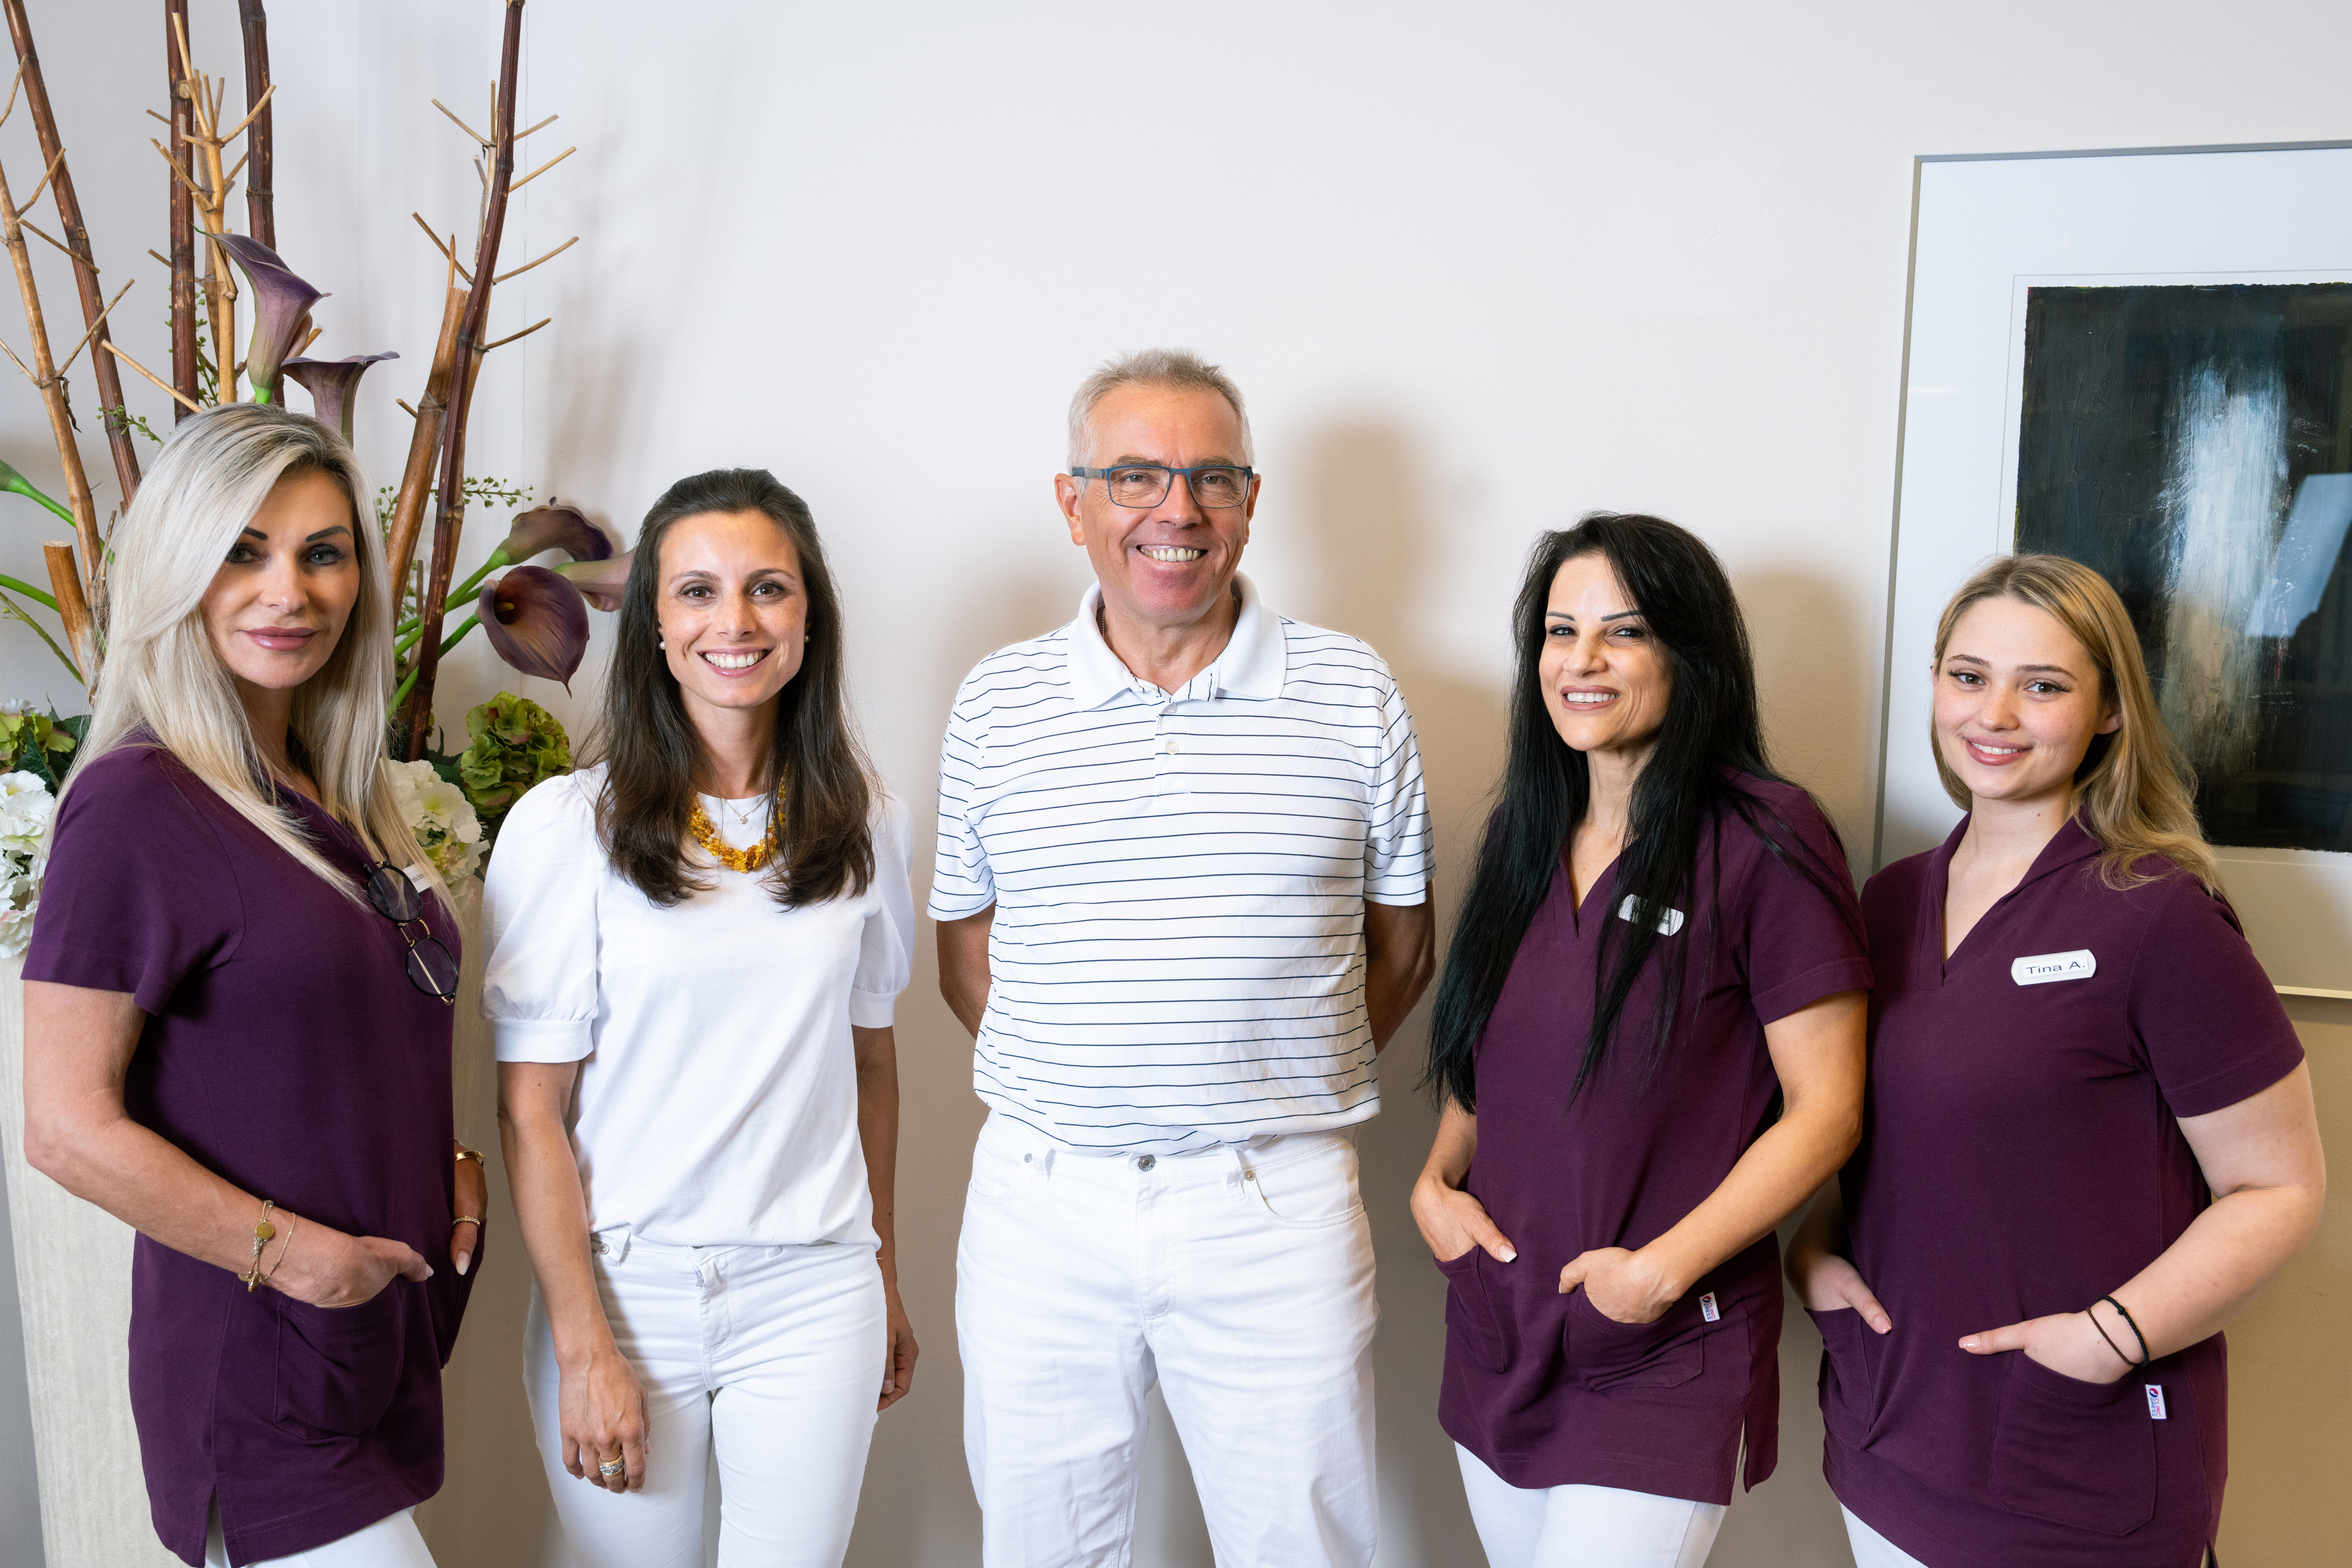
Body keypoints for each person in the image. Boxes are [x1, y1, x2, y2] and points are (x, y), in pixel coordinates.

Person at [932, 349, 1435, 1567]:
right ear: (1075, 505)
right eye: (1136, 476)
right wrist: (1099, 1074)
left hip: (1274, 1205)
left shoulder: (1354, 690)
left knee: (1307, 1548)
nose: (1179, 508)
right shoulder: (996, 703)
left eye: (1212, 476)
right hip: (1044, 1204)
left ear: (1251, 503)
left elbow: (1405, 945)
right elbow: (967, 953)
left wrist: (1262, 1069)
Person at [1787, 554, 2326, 1568]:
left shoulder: (2159, 914)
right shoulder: (1889, 902)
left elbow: (2280, 1187)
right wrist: (1814, 1248)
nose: (1994, 714)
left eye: (2042, 685)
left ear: (2110, 711)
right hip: (1889, 1437)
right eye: (1969, 676)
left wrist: (2110, 1337)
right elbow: (1873, 1131)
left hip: (2073, 1461)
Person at [21, 403, 482, 1568]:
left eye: (323, 553)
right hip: (266, 1366)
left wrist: (443, 1158)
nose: (291, 592)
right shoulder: (137, 802)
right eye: (243, 552)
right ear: (176, 567)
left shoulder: (333, 791)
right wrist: (305, 1263)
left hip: (373, 1354)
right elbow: (65, 1127)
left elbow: (335, 1032)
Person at [1412, 513, 1871, 1568]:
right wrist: (1436, 1181)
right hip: (1503, 1328)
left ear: (1690, 656)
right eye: (1560, 632)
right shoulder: (1524, 831)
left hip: (1659, 1343)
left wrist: (1659, 1277)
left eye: (1622, 633)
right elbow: (1484, 1057)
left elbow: (1828, 1112)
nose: (1583, 661)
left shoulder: (1766, 839)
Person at [485, 468, 916, 1567]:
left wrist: (883, 1272)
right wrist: (584, 1347)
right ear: (655, 629)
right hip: (626, 1293)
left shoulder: (868, 822)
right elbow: (532, 1113)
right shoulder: (566, 828)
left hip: (815, 1288)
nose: (736, 621)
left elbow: (871, 1066)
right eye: (697, 592)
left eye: (768, 588)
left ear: (809, 619)